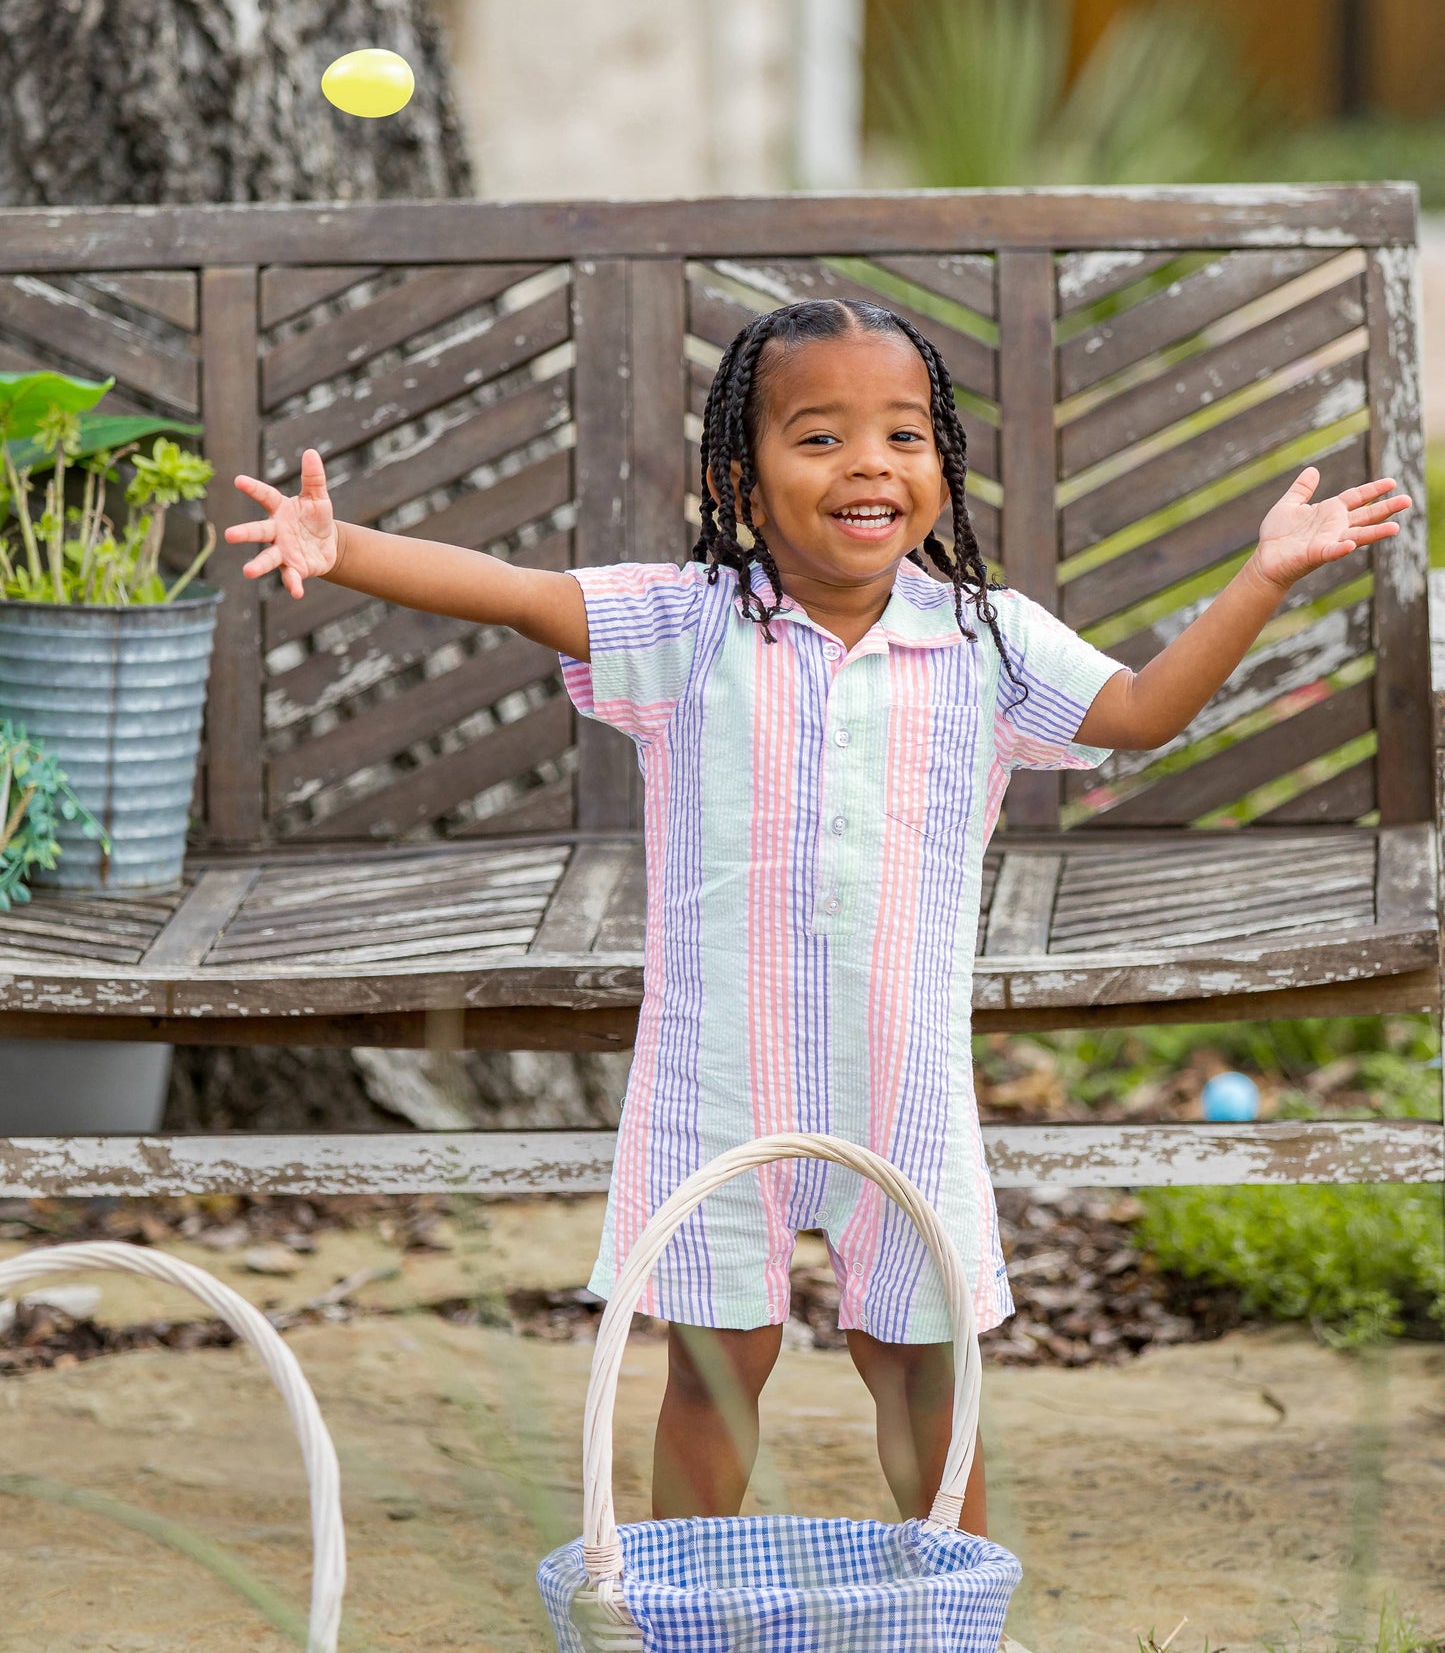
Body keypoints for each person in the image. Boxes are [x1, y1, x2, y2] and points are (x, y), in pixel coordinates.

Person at [226, 297, 1410, 1536]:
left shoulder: (986, 641)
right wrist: (342, 544)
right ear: (741, 481)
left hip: (901, 1082)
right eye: (820, 437)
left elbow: (1141, 708)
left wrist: (1262, 570)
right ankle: (680, 1606)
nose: (869, 466)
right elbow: (521, 593)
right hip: (718, 1075)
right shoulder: (687, 624)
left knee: (919, 1367)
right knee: (715, 1368)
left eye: (904, 436)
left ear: (941, 469)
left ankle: (955, 1611)